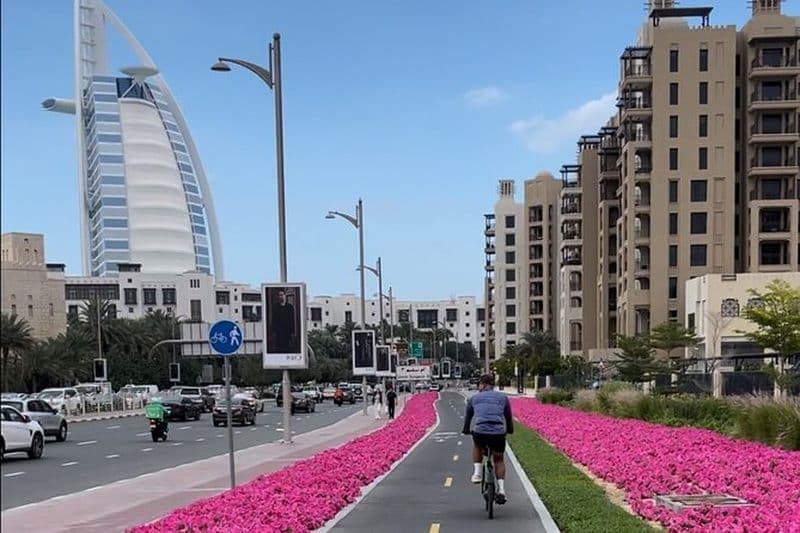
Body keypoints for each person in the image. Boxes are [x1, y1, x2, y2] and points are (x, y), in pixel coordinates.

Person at [462, 373, 513, 504]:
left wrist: (466, 430)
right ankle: (502, 490)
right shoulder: (503, 398)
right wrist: (509, 430)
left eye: (479, 385)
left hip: (481, 432)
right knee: (499, 459)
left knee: (477, 445)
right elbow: (508, 417)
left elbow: (468, 417)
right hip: (498, 433)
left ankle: (477, 473)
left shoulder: (474, 398)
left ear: (483, 385)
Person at [269, 288, 297, 353]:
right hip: (279, 333)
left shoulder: (290, 307)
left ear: (285, 295)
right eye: (279, 295)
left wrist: (292, 332)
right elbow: (274, 320)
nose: (280, 297)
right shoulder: (275, 307)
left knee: (288, 349)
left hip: (288, 333)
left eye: (282, 295)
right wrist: (274, 331)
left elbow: (292, 320)